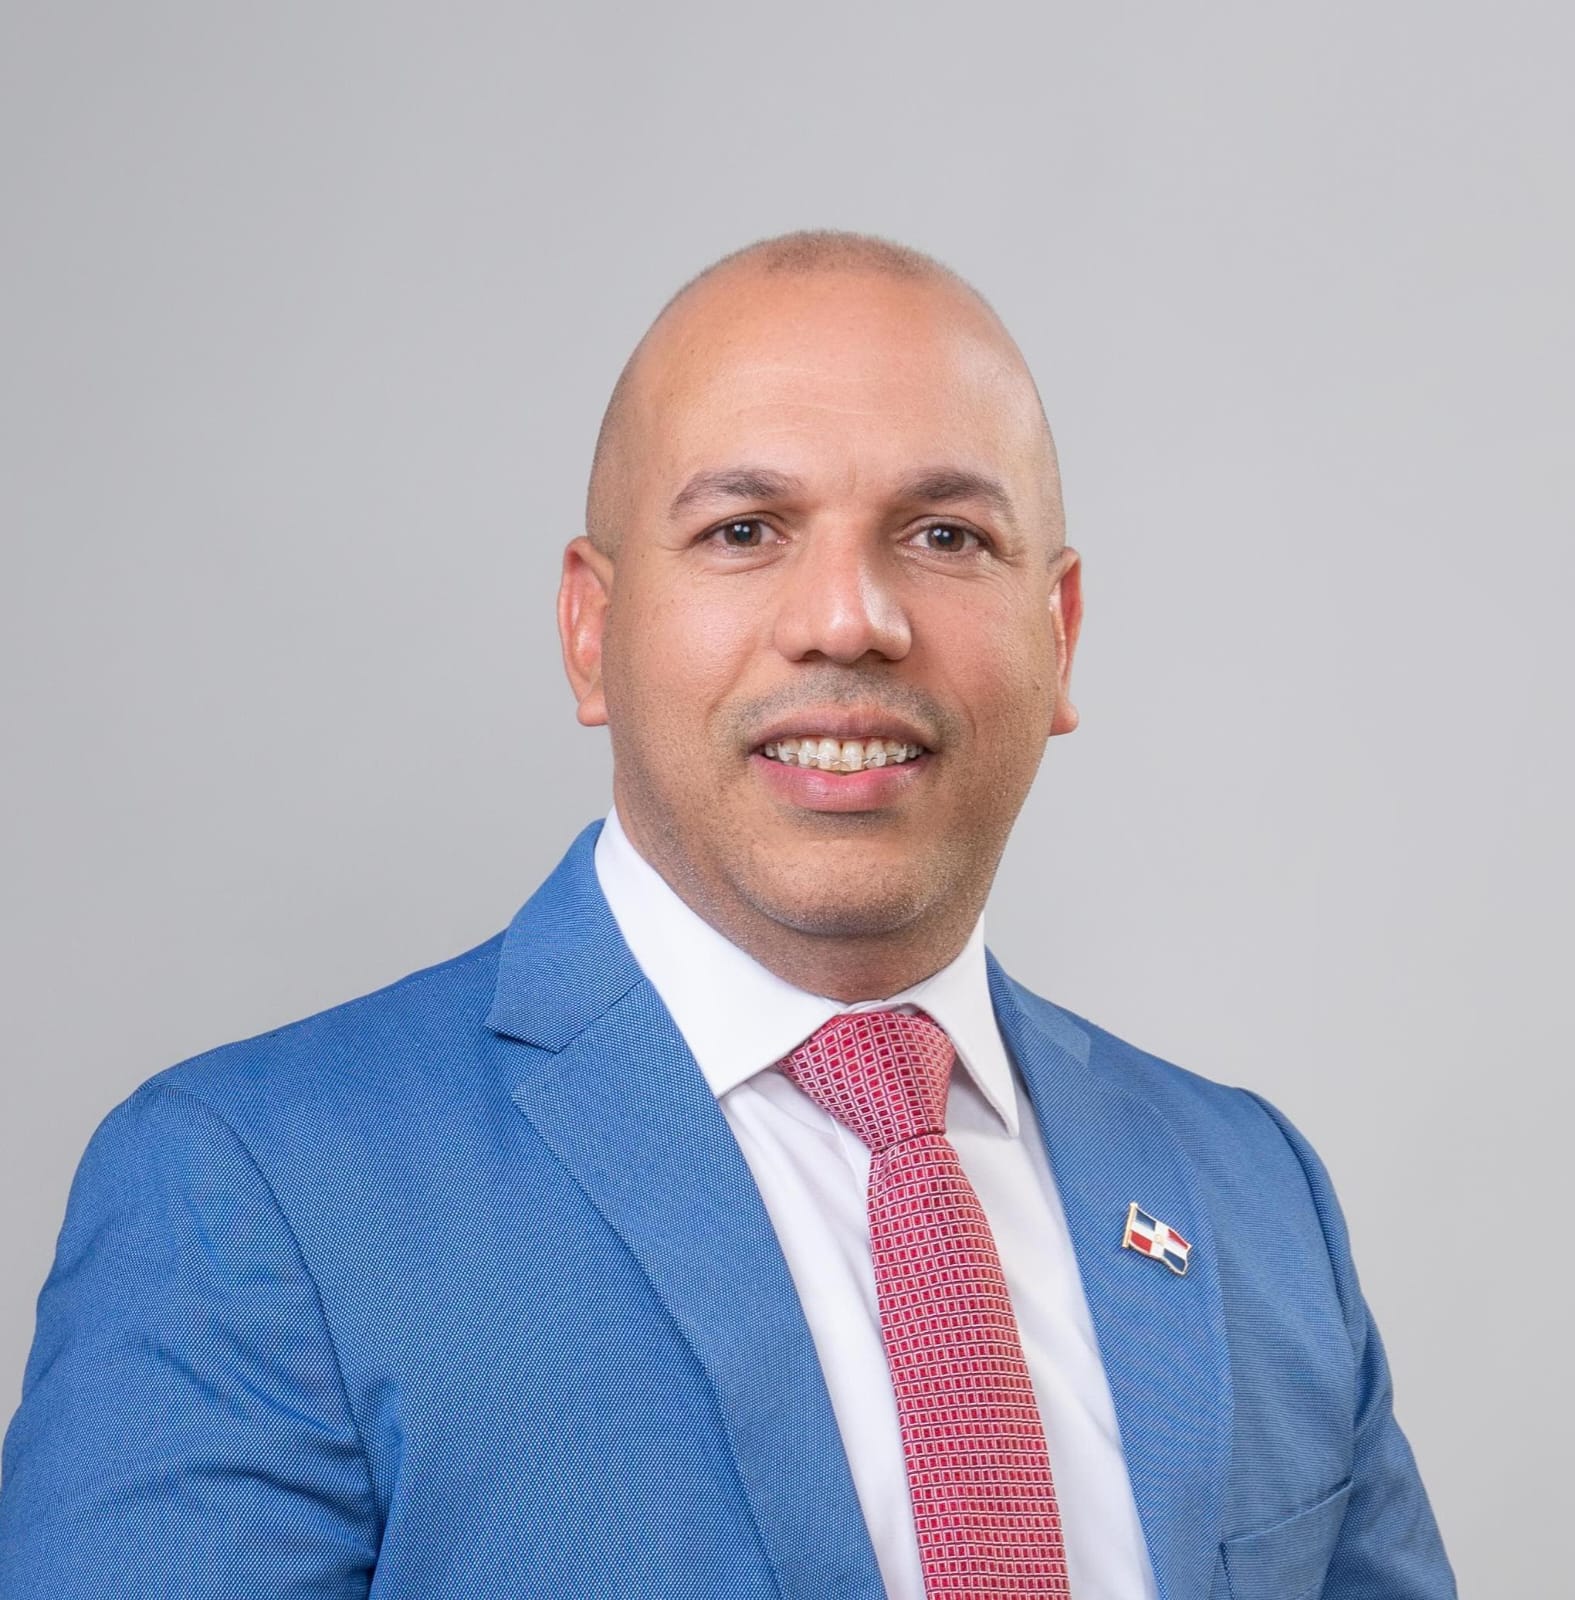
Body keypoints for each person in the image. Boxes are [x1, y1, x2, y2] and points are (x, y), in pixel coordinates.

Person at [0, 230, 1455, 1598]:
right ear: (591, 631)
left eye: (946, 536)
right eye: (746, 529)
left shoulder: (1253, 1194)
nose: (850, 619)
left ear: (1059, 635)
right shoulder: (250, 1191)